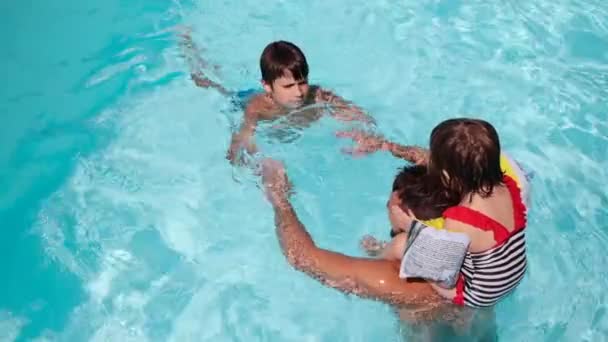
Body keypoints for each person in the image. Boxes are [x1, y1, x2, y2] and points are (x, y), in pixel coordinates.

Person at [338, 118, 529, 308]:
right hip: (513, 271)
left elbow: (443, 269)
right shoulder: (507, 187)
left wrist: (409, 225)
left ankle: (373, 262)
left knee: (401, 244)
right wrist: (385, 146)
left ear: (446, 174)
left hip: (476, 294)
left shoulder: (461, 220)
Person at [177, 30, 375, 164]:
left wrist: (365, 134)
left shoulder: (317, 95)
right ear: (267, 86)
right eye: (288, 86)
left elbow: (358, 115)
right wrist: (247, 160)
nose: (298, 92)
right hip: (241, 99)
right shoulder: (258, 107)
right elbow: (242, 140)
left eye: (302, 82)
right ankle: (190, 49)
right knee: (213, 86)